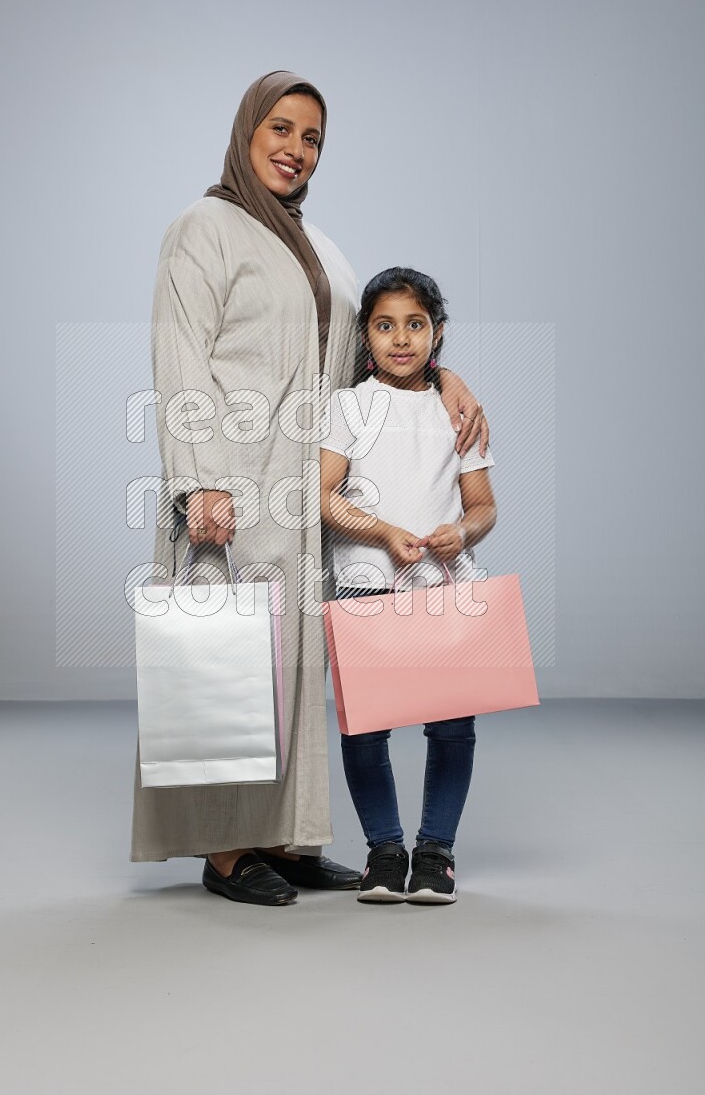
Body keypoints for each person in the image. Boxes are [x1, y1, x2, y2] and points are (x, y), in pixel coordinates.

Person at [131, 73, 489, 907]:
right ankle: (225, 849)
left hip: (307, 496)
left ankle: (277, 838)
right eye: (281, 128)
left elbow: (378, 351)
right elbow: (179, 356)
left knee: (290, 675)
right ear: (247, 132)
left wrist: (445, 378)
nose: (297, 149)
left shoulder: (322, 247)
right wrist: (198, 482)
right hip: (231, 487)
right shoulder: (202, 228)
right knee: (226, 669)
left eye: (313, 138)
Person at [320, 266, 497, 904]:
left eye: (415, 325)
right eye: (385, 325)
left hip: (443, 586)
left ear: (437, 332)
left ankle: (436, 852)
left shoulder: (459, 413)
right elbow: (323, 497)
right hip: (367, 586)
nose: (401, 339)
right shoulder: (348, 407)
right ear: (366, 336)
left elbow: (483, 507)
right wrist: (384, 531)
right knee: (365, 728)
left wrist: (462, 532)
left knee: (451, 725)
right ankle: (385, 851)